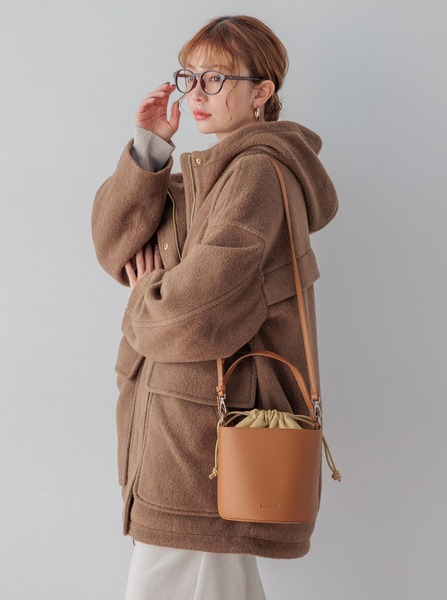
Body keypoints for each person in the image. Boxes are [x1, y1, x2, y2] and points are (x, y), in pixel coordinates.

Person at [91, 14, 339, 600]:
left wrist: (144, 298)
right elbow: (114, 247)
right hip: (180, 434)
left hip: (203, 443)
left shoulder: (256, 175)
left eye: (216, 79)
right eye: (189, 76)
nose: (196, 93)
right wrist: (150, 148)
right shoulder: (205, 179)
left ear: (262, 92)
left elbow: (197, 313)